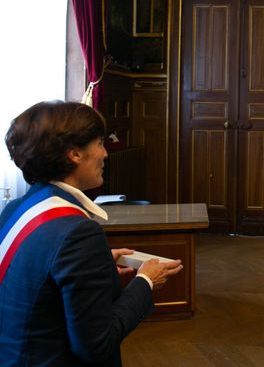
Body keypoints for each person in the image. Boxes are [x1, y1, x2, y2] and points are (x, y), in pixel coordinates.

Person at [0, 101, 183, 365]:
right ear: (74, 154)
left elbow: (34, 284)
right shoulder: (79, 233)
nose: (105, 153)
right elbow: (96, 344)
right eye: (99, 143)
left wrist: (97, 265)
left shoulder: (15, 209)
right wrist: (145, 282)